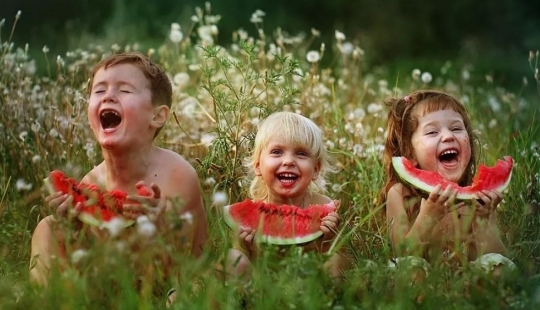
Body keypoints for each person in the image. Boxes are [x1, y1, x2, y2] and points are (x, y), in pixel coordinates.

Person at [29, 52, 208, 288]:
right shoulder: (91, 180)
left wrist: (159, 229)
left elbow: (182, 266)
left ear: (157, 116)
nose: (109, 96)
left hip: (170, 289)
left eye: (124, 90)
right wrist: (72, 228)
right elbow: (96, 260)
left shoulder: (177, 175)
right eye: (99, 90)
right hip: (110, 285)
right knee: (47, 228)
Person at [381, 90, 515, 278]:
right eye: (432, 132)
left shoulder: (478, 199)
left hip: (468, 282)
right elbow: (401, 253)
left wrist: (483, 221)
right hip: (423, 282)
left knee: (500, 269)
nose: (448, 136)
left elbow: (495, 255)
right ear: (410, 153)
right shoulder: (400, 194)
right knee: (408, 270)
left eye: (456, 128)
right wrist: (427, 216)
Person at [223, 111, 350, 282]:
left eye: (301, 154)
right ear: (258, 166)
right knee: (233, 258)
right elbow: (256, 269)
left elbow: (345, 262)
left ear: (316, 169)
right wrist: (251, 250)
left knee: (335, 260)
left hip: (310, 288)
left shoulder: (324, 206)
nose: (288, 161)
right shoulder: (248, 221)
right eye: (276, 152)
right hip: (263, 290)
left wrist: (329, 241)